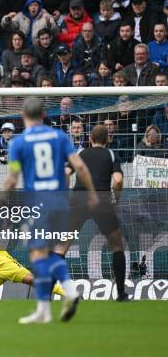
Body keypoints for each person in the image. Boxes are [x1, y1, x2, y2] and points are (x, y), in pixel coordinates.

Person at [0, 97, 98, 324]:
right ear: (44, 115)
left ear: (23, 116)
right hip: (61, 202)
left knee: (37, 254)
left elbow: (13, 177)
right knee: (52, 252)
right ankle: (44, 311)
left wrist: (1, 199)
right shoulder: (60, 137)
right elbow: (80, 166)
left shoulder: (19, 143)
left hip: (38, 203)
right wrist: (92, 193)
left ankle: (64, 294)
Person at [55, 125, 128, 301]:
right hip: (101, 200)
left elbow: (65, 172)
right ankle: (121, 294)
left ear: (90, 138)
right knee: (117, 246)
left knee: (61, 247)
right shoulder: (111, 155)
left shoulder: (80, 154)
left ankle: (47, 294)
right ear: (108, 139)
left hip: (79, 199)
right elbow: (117, 181)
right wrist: (115, 200)